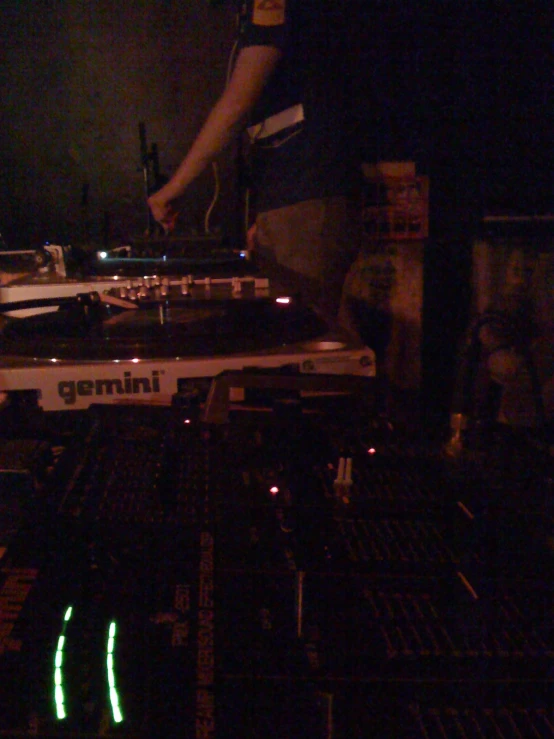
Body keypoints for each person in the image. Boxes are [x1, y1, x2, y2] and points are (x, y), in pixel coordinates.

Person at [147, 0, 362, 329]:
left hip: (306, 194)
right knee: (295, 337)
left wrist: (173, 189)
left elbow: (238, 101)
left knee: (307, 338)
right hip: (291, 197)